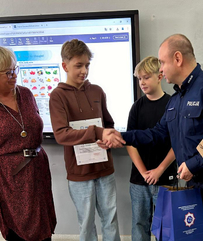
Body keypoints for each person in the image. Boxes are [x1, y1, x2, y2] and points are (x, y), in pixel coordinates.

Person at [100, 34, 203, 241]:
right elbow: (158, 134)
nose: (160, 69)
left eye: (162, 62)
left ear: (178, 58)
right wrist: (121, 136)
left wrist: (193, 164)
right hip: (195, 187)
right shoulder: (177, 99)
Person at [49, 39, 120, 241]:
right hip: (79, 173)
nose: (84, 71)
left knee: (111, 220)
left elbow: (108, 124)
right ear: (65, 66)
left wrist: (108, 136)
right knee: (87, 224)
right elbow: (61, 134)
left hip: (105, 169)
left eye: (87, 65)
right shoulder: (58, 96)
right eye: (78, 65)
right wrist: (97, 132)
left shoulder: (97, 91)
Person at [0, 47, 56, 240]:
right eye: (7, 72)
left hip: (38, 171)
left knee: (44, 228)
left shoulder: (26, 94)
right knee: (19, 230)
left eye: (15, 69)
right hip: (10, 179)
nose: (14, 75)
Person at [127, 56, 177, 241]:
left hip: (165, 177)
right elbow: (130, 143)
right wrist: (144, 172)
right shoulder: (137, 107)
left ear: (160, 76)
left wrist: (159, 170)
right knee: (139, 224)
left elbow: (177, 143)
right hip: (139, 180)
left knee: (166, 226)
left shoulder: (173, 105)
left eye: (146, 77)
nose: (142, 82)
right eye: (139, 78)